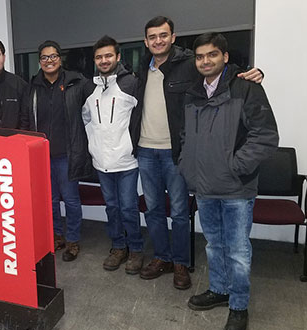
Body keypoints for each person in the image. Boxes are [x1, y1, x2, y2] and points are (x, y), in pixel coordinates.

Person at [131, 16, 264, 290]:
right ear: (146, 42)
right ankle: (161, 257)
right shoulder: (141, 70)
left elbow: (220, 72)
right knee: (154, 209)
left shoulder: (189, 64)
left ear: (173, 37)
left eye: (163, 35)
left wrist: (251, 72)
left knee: (180, 212)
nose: (158, 41)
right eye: (152, 37)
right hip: (145, 150)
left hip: (177, 153)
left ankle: (180, 262)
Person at [179, 32, 278, 330]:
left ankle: (239, 305)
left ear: (224, 56)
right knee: (214, 245)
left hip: (236, 188)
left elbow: (265, 136)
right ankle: (220, 290)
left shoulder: (246, 87)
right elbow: (186, 137)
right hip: (204, 186)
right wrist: (187, 164)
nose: (205, 61)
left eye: (211, 55)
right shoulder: (193, 93)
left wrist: (236, 167)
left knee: (237, 250)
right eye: (199, 56)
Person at [23, 40, 94, 262]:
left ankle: (73, 240)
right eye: (44, 57)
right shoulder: (32, 87)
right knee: (50, 200)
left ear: (60, 58)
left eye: (53, 56)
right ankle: (57, 235)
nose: (49, 61)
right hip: (41, 155)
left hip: (67, 154)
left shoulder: (76, 82)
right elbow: (27, 119)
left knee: (71, 200)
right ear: (39, 61)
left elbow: (93, 106)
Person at [82, 36, 143, 272]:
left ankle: (136, 249)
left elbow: (140, 118)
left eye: (108, 55)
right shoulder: (90, 87)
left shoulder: (132, 83)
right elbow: (85, 118)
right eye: (99, 57)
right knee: (112, 207)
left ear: (118, 57)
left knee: (128, 207)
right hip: (101, 161)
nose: (104, 60)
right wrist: (92, 143)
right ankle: (119, 247)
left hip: (127, 161)